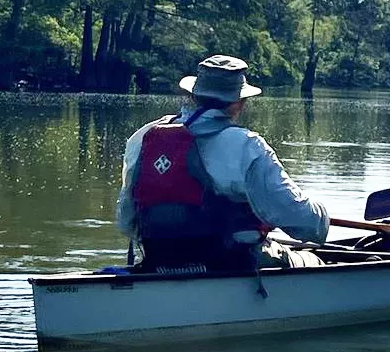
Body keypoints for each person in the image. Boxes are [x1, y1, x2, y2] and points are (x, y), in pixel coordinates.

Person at [116, 54, 328, 274]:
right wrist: (322, 218)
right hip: (227, 265)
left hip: (158, 264)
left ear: (193, 95)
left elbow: (125, 222)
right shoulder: (246, 146)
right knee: (313, 260)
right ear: (239, 102)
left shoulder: (142, 137)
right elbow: (306, 224)